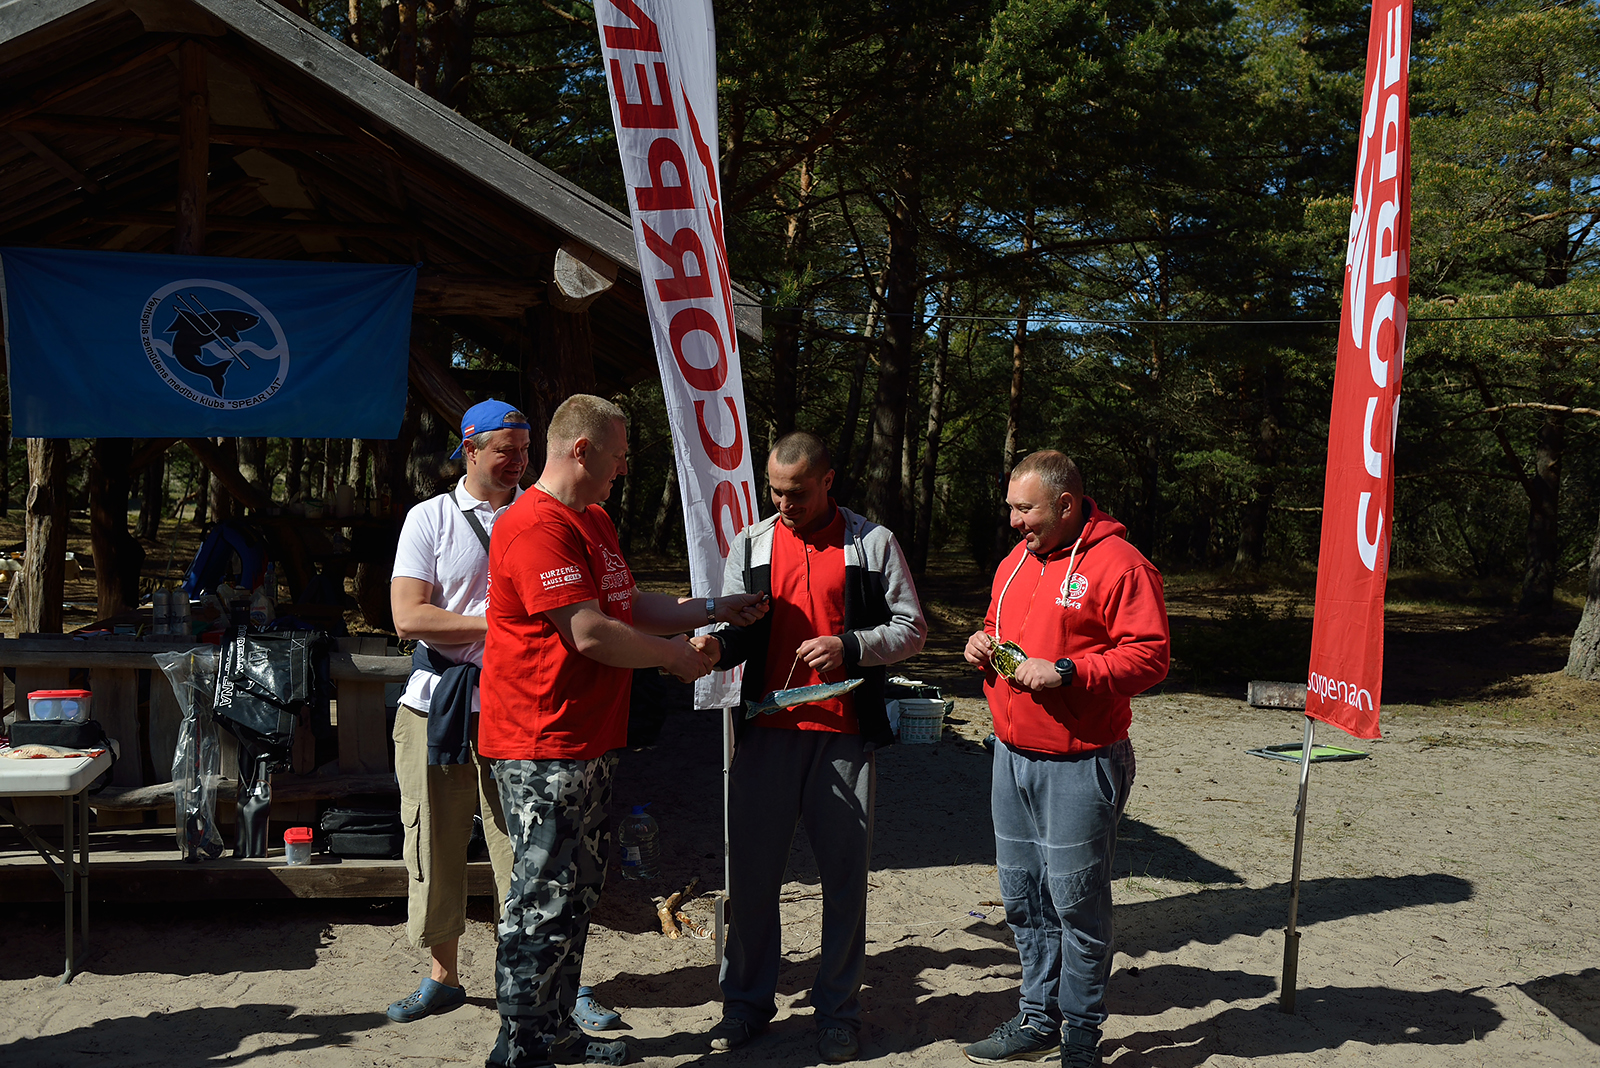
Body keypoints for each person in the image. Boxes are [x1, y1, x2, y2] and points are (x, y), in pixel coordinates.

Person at [478, 394, 768, 1068]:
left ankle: (556, 1031)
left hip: (588, 741)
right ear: (581, 450)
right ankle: (520, 1047)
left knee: (577, 892)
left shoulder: (594, 519)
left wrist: (713, 607)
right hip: (540, 745)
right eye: (618, 455)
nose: (624, 468)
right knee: (541, 899)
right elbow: (588, 632)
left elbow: (626, 604)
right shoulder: (533, 525)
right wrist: (673, 658)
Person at [701, 431, 927, 1063]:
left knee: (844, 883)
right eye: (775, 491)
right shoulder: (752, 542)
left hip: (844, 737)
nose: (784, 504)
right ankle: (745, 1007)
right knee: (751, 881)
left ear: (829, 481)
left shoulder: (872, 542)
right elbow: (735, 630)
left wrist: (849, 646)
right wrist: (713, 647)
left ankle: (838, 1013)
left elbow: (912, 630)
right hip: (765, 734)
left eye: (796, 492)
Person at [961, 451, 1170, 1068]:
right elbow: (996, 624)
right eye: (1010, 508)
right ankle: (1037, 1017)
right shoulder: (1014, 562)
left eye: (1025, 509)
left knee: (1076, 902)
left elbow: (1150, 657)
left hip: (1082, 760)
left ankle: (1080, 1034)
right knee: (1023, 897)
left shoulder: (1123, 565)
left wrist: (1069, 670)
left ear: (1066, 504)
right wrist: (981, 643)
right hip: (1010, 755)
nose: (1014, 522)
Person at [386, 398, 528, 1023]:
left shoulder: (541, 514)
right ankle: (443, 976)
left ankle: (536, 978)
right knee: (433, 842)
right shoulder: (431, 518)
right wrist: (501, 626)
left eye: (525, 451)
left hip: (518, 704)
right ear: (469, 449)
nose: (518, 462)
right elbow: (408, 616)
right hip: (436, 704)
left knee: (524, 844)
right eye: (506, 451)